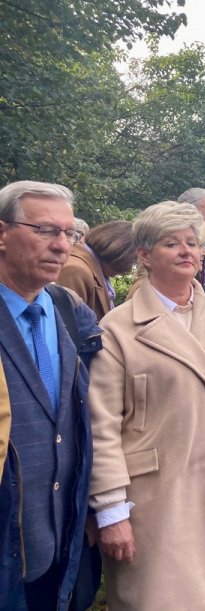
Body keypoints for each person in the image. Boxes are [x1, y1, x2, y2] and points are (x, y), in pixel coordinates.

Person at [87, 200, 205, 609]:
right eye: (173, 243)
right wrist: (111, 510)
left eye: (194, 242)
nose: (188, 251)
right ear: (144, 255)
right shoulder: (118, 330)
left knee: (196, 594)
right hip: (153, 497)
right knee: (151, 598)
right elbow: (101, 426)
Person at [0, 181, 101, 610]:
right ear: (2, 233)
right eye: (45, 230)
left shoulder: (67, 308)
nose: (62, 245)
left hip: (62, 539)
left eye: (69, 234)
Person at [57, 220, 136, 320]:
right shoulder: (76, 271)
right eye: (133, 259)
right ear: (121, 254)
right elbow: (67, 324)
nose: (129, 268)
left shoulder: (93, 268)